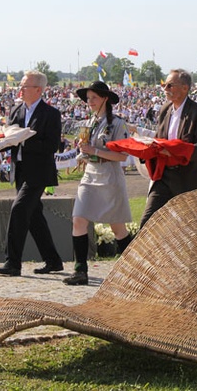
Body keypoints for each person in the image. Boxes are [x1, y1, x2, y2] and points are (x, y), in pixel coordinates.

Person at [0, 70, 63, 277]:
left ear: (38, 90)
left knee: (19, 210)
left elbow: (52, 145)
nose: (20, 90)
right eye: (21, 86)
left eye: (25, 86)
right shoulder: (16, 110)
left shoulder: (51, 114)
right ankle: (53, 260)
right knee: (34, 217)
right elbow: (8, 140)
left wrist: (24, 139)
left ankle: (12, 263)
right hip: (21, 170)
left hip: (39, 172)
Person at [64, 81, 132, 286]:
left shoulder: (118, 124)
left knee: (118, 228)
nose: (89, 101)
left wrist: (95, 151)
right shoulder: (90, 122)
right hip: (90, 175)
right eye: (88, 98)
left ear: (105, 99)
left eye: (94, 98)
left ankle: (134, 269)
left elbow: (122, 157)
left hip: (110, 177)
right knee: (78, 219)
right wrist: (83, 151)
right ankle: (80, 270)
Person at [139, 69, 197, 228]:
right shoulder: (164, 110)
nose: (165, 89)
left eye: (170, 85)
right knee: (147, 223)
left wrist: (174, 151)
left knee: (195, 230)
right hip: (165, 177)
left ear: (185, 88)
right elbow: (160, 140)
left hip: (190, 180)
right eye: (164, 85)